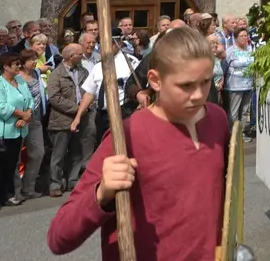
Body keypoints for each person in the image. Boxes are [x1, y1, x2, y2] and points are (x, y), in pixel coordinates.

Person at [48, 27, 230, 260]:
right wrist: (102, 193)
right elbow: (59, 237)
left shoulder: (217, 119)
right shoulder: (127, 137)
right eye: (186, 85)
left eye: (205, 82)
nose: (198, 95)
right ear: (155, 80)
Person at [0, 51, 33, 212]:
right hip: (1, 132)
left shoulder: (20, 81)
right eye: (16, 64)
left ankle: (8, 195)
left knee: (11, 165)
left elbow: (30, 99)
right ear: (5, 67)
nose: (19, 66)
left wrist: (27, 116)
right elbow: (1, 107)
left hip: (18, 130)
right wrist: (21, 113)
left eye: (19, 63)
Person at [45, 43, 87, 198]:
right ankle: (55, 182)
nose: (82, 56)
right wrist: (77, 108)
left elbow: (89, 89)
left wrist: (84, 107)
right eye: (79, 54)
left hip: (82, 118)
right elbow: (54, 98)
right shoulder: (56, 74)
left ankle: (73, 180)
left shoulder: (83, 72)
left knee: (77, 152)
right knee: (59, 154)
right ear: (71, 56)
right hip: (61, 119)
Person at [17, 45, 50, 200]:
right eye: (31, 59)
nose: (35, 62)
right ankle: (16, 190)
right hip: (19, 119)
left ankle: (28, 188)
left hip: (36, 118)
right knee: (16, 157)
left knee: (38, 153)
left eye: (35, 59)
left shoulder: (36, 73)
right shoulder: (16, 77)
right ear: (23, 62)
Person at [224, 28, 257, 143]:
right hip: (234, 85)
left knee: (244, 110)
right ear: (236, 38)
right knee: (234, 110)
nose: (244, 38)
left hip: (248, 85)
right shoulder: (230, 51)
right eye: (242, 36)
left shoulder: (249, 49)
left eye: (246, 35)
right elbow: (225, 66)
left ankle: (242, 133)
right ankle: (232, 134)